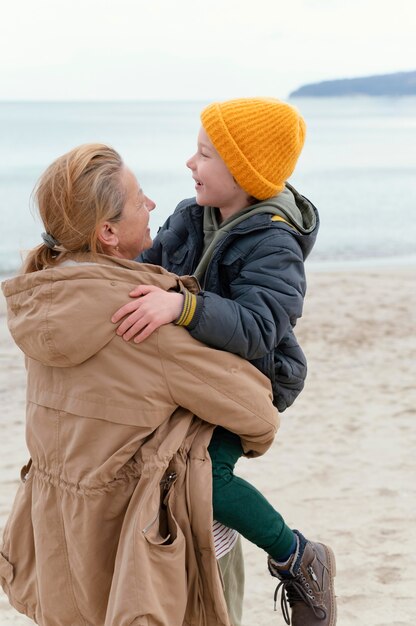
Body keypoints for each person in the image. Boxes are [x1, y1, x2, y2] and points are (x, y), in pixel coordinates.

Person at [0, 143, 280, 626]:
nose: (152, 205)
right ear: (107, 232)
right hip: (151, 553)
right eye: (139, 198)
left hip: (64, 545)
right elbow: (258, 413)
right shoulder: (139, 317)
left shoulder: (44, 301)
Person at [111, 98, 337, 626]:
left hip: (252, 378)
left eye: (205, 154)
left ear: (246, 172)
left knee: (204, 473)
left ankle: (297, 555)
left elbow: (261, 326)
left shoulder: (273, 241)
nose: (191, 163)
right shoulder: (194, 215)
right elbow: (146, 269)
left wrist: (184, 305)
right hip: (198, 371)